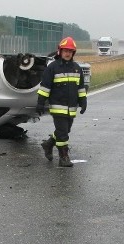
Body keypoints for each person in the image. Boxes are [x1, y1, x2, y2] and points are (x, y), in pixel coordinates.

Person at [36, 37, 87, 167]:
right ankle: (63, 157)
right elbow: (45, 86)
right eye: (65, 50)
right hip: (58, 107)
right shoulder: (52, 67)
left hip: (71, 108)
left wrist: (83, 100)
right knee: (63, 133)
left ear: (73, 53)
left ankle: (48, 144)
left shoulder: (77, 68)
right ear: (60, 51)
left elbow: (80, 87)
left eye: (70, 51)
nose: (67, 53)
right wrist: (40, 102)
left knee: (64, 130)